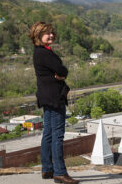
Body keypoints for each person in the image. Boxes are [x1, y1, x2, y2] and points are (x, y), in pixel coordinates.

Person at [29, 22, 79, 184]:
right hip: (54, 98)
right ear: (38, 35)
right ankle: (60, 172)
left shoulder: (40, 52)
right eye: (46, 33)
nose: (51, 35)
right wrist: (62, 75)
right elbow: (62, 70)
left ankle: (47, 169)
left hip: (47, 97)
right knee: (57, 136)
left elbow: (59, 71)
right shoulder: (44, 53)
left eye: (51, 32)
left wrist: (60, 74)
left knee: (49, 134)